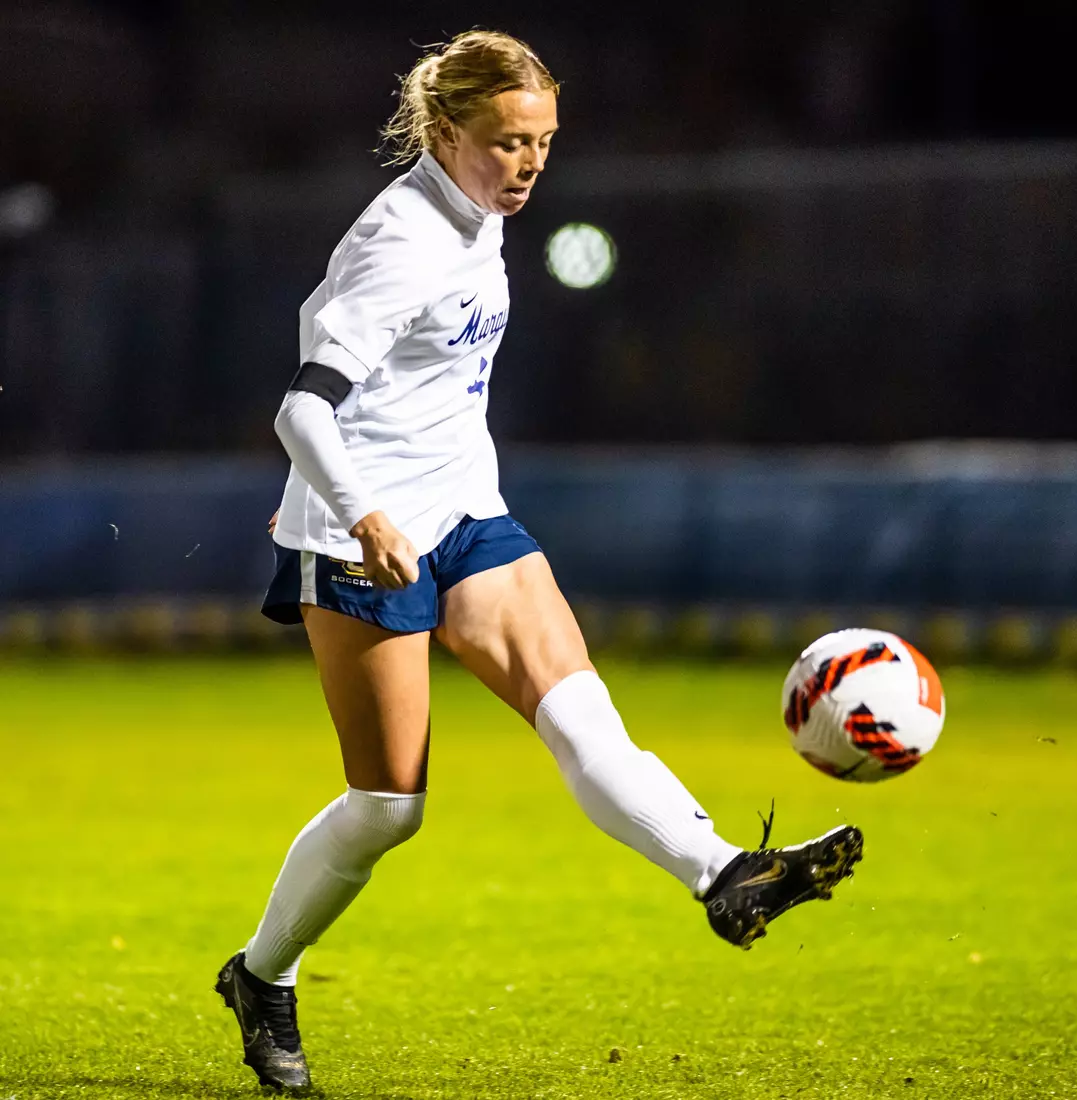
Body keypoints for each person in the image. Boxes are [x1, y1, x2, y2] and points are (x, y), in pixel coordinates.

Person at [215, 29, 863, 1094]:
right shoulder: (403, 239)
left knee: (580, 717)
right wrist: (367, 515)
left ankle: (725, 873)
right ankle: (261, 972)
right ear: (441, 130)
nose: (525, 165)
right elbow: (300, 408)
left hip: (467, 511)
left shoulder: (478, 215)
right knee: (389, 806)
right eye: (506, 143)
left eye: (543, 144)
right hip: (355, 537)